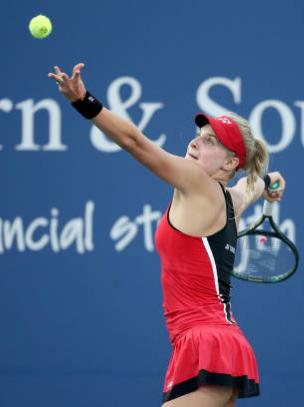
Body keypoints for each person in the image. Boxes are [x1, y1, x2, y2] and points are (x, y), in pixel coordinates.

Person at [48, 63, 286, 407]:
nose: (195, 142)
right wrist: (268, 182)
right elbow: (251, 189)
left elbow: (134, 142)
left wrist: (84, 100)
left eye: (209, 141)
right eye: (199, 135)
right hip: (209, 342)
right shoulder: (230, 200)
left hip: (209, 342)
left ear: (230, 163)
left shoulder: (198, 182)